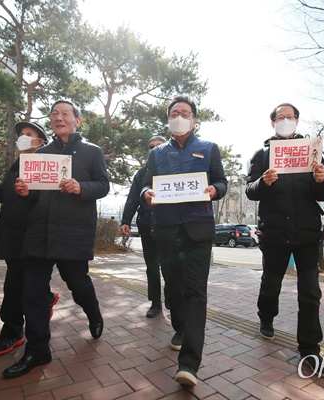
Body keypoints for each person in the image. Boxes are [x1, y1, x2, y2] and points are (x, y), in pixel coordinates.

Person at [4, 100, 109, 378]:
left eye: (65, 113)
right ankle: (37, 350)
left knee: (78, 283)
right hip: (39, 231)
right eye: (54, 114)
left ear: (78, 120)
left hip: (73, 231)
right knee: (33, 292)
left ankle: (94, 313)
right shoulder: (41, 153)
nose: (59, 117)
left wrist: (80, 187)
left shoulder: (91, 152)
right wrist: (24, 191)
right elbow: (35, 191)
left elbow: (103, 185)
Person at [142, 95, 227, 386]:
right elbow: (146, 183)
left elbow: (221, 181)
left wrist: (215, 189)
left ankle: (189, 363)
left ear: (194, 119)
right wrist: (146, 194)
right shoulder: (157, 153)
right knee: (174, 287)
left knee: (195, 291)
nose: (180, 116)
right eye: (175, 112)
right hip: (166, 229)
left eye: (186, 112)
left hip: (198, 229)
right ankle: (179, 325)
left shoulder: (208, 148)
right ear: (168, 119)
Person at [246, 103, 324, 376]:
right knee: (271, 282)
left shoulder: (312, 152)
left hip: (307, 234)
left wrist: (321, 179)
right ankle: (266, 316)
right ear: (273, 123)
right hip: (274, 233)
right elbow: (250, 191)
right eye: (280, 117)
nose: (286, 120)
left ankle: (310, 349)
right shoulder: (261, 155)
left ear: (297, 121)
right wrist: (264, 182)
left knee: (310, 292)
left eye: (291, 117)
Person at [0, 121, 60, 357]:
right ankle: (44, 300)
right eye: (20, 134)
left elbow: (48, 201)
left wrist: (30, 194)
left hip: (32, 237)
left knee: (15, 288)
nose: (22, 137)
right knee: (20, 285)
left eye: (29, 135)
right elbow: (3, 195)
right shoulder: (15, 166)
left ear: (40, 142)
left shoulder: (45, 166)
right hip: (11, 235)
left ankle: (12, 331)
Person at [120, 136, 167, 318]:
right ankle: (156, 303)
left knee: (170, 266)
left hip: (171, 225)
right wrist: (126, 220)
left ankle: (171, 297)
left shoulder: (174, 170)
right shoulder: (141, 174)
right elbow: (133, 198)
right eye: (151, 147)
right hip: (148, 224)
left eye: (159, 146)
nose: (154, 149)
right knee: (152, 266)